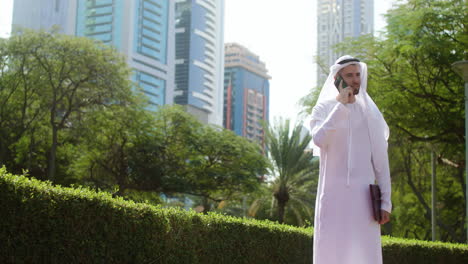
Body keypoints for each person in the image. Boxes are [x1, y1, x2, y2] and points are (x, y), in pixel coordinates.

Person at [310, 55, 392, 264]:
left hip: (363, 200)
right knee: (330, 252)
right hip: (332, 196)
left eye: (358, 75)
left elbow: (381, 163)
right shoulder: (323, 109)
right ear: (337, 78)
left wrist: (386, 202)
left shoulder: (370, 114)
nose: (355, 80)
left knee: (364, 256)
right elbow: (319, 139)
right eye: (349, 75)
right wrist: (341, 107)